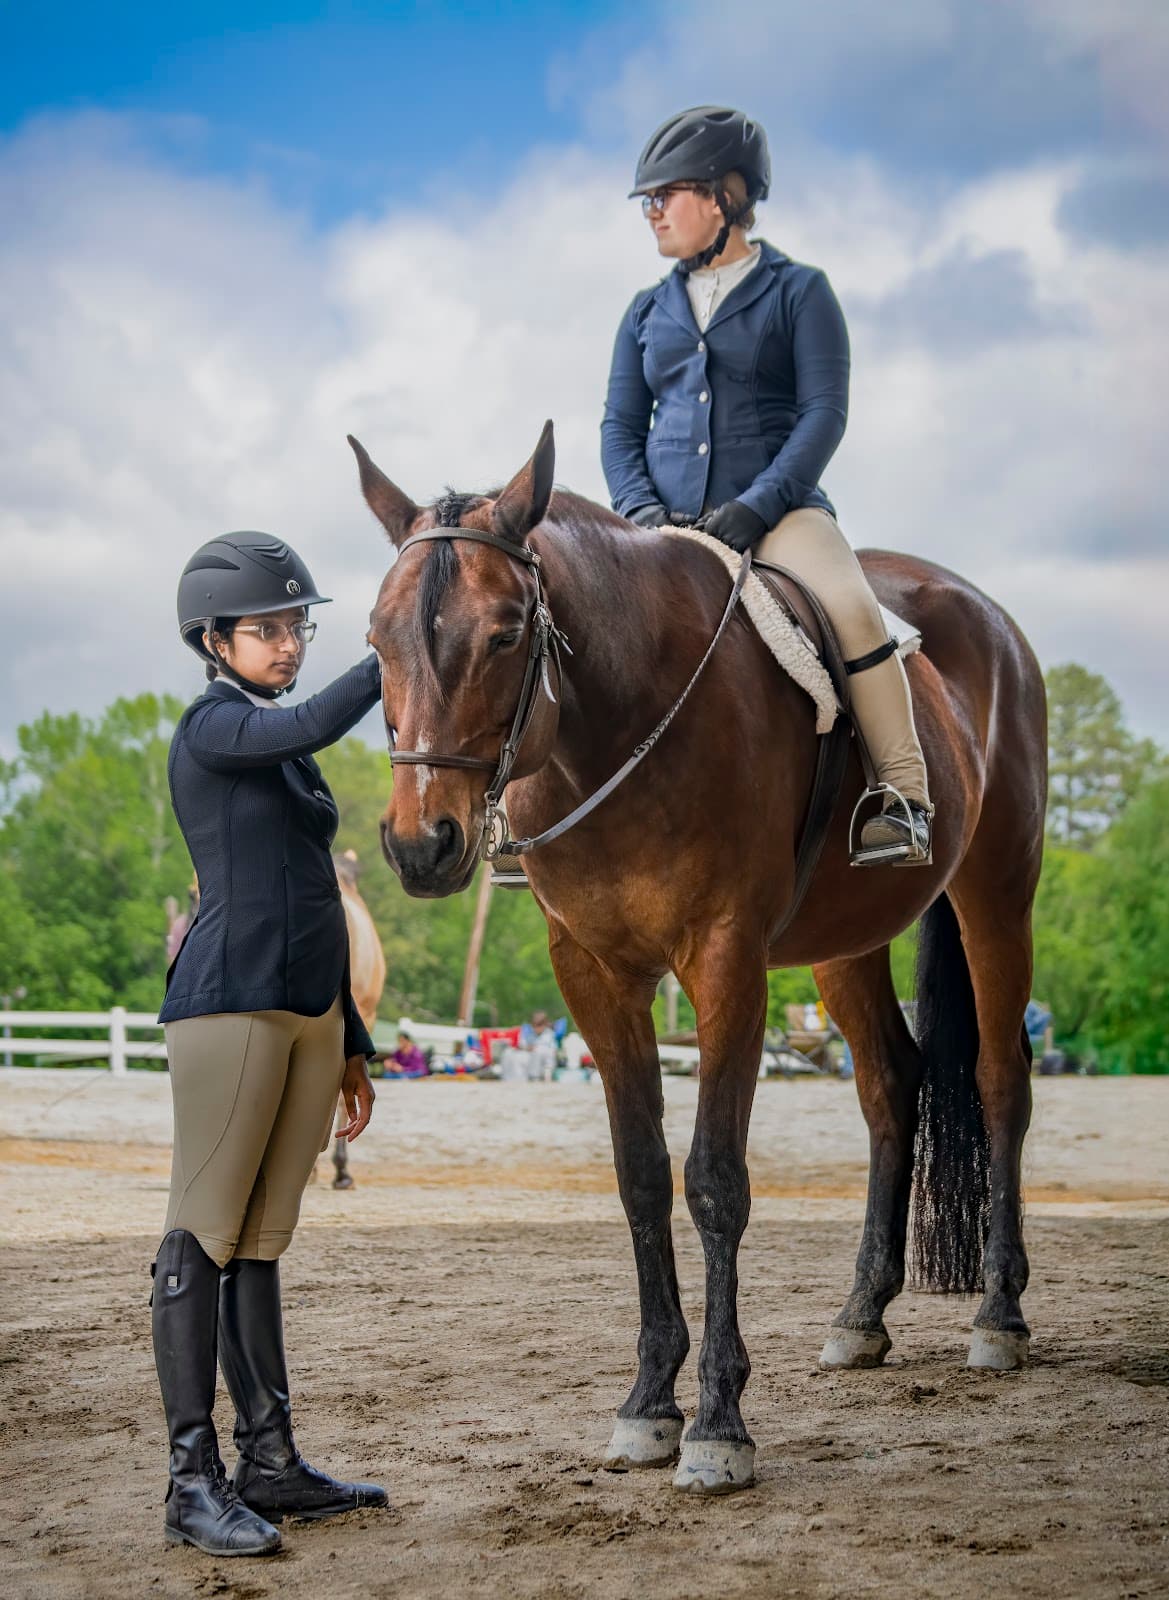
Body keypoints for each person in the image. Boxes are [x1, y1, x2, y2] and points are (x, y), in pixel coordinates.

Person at [601, 105, 932, 864]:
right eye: (646, 199)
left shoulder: (799, 291)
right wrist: (639, 511)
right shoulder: (644, 312)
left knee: (852, 609)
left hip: (779, 515)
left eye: (667, 194)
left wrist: (758, 507)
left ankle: (903, 797)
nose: (651, 211)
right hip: (661, 524)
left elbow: (824, 414)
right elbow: (618, 427)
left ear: (724, 195)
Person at [153, 531, 388, 1557]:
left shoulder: (274, 745)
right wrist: (396, 651)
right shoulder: (215, 725)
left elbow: (315, 897)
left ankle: (271, 1460)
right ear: (213, 639)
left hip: (306, 1011)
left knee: (260, 1238)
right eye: (267, 628)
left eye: (298, 626)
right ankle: (189, 1478)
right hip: (228, 1005)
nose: (287, 642)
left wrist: (352, 1037)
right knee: (202, 1232)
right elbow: (313, 719)